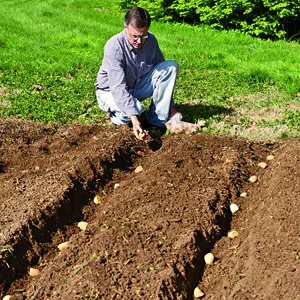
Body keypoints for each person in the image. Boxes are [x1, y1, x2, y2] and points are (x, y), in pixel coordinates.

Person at [95, 6, 179, 140]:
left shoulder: (151, 40)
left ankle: (156, 120)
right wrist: (134, 119)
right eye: (135, 36)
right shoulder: (114, 47)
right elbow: (117, 87)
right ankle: (118, 115)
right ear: (125, 27)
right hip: (109, 91)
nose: (139, 41)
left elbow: (163, 75)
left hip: (136, 87)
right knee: (128, 114)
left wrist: (172, 109)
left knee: (170, 67)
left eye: (143, 36)